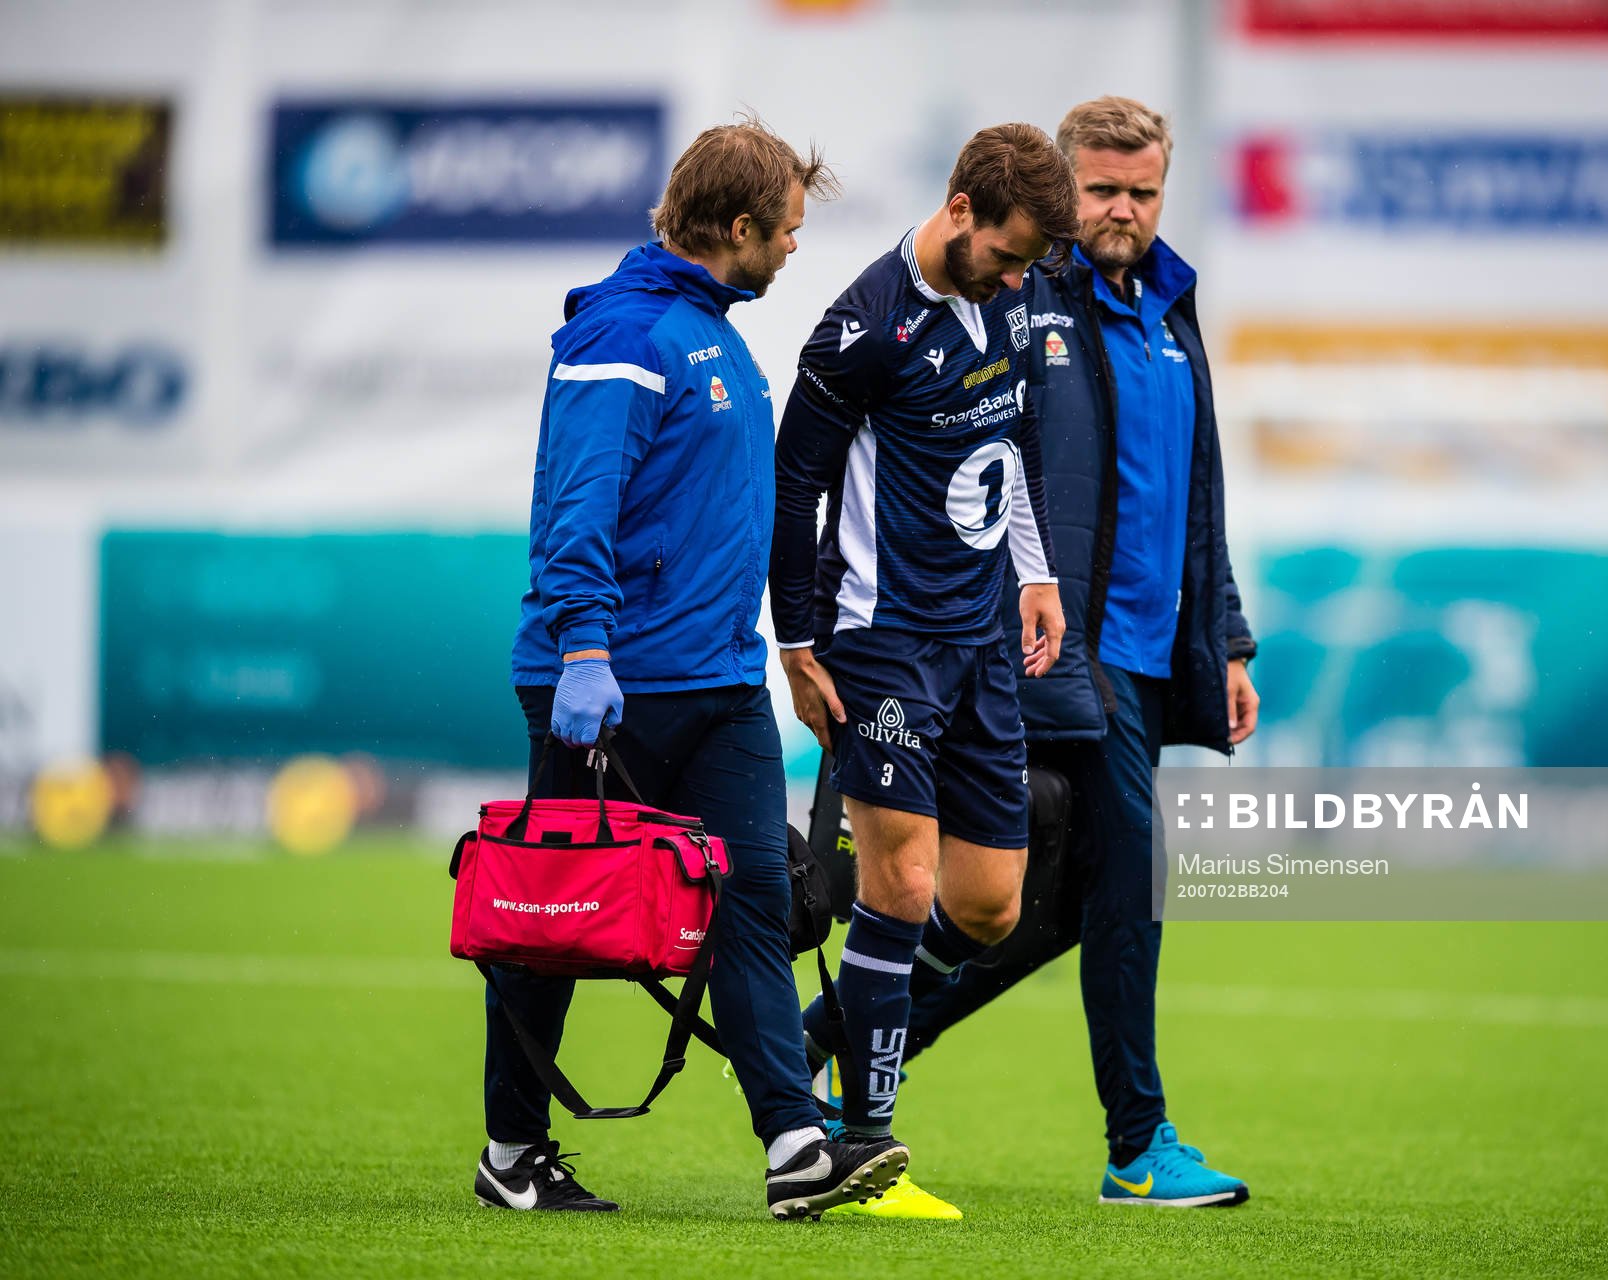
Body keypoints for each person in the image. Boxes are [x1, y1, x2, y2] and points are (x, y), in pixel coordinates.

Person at [488, 118, 907, 1220]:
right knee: (555, 917)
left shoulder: (712, 332)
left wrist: (792, 651)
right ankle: (511, 1150)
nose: (796, 249)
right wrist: (582, 645)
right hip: (607, 686)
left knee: (755, 901)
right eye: (788, 232)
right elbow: (576, 505)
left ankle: (795, 1146)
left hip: (719, 686)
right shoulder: (620, 334)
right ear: (737, 228)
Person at [903, 97, 1260, 1208]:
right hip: (1062, 653)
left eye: (1142, 191)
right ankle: (1138, 1145)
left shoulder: (1169, 306)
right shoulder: (1025, 297)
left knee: (1045, 909)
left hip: (1157, 656)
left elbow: (1194, 493)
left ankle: (834, 1042)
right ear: (1067, 188)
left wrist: (1229, 638)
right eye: (1102, 188)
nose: (1122, 209)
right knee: (1127, 883)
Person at [771, 123, 1079, 1220]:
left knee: (990, 906)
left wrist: (1035, 576)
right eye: (1007, 252)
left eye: (1032, 261)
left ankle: (813, 1037)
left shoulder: (1023, 292)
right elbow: (797, 478)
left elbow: (1020, 441)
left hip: (984, 635)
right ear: (960, 208)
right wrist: (797, 641)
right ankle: (861, 1149)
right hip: (881, 638)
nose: (1018, 275)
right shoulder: (863, 325)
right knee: (898, 889)